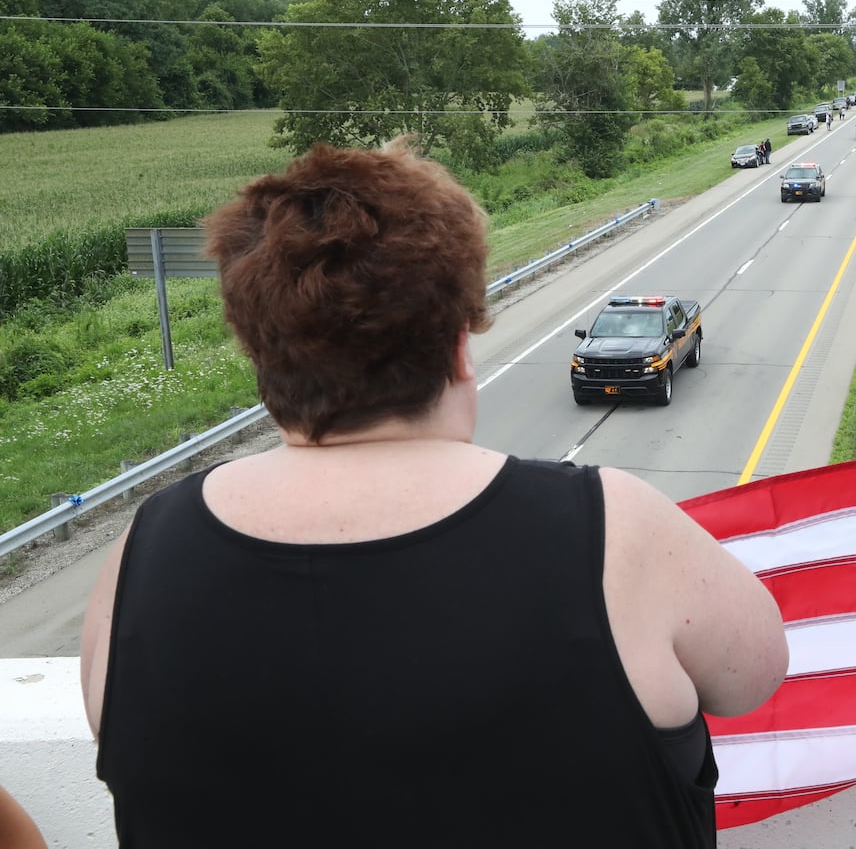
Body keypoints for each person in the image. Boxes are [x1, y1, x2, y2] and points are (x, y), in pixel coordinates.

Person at [80, 139, 788, 848]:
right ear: (457, 347)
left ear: (262, 355)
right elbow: (756, 676)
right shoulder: (610, 527)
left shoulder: (142, 554)